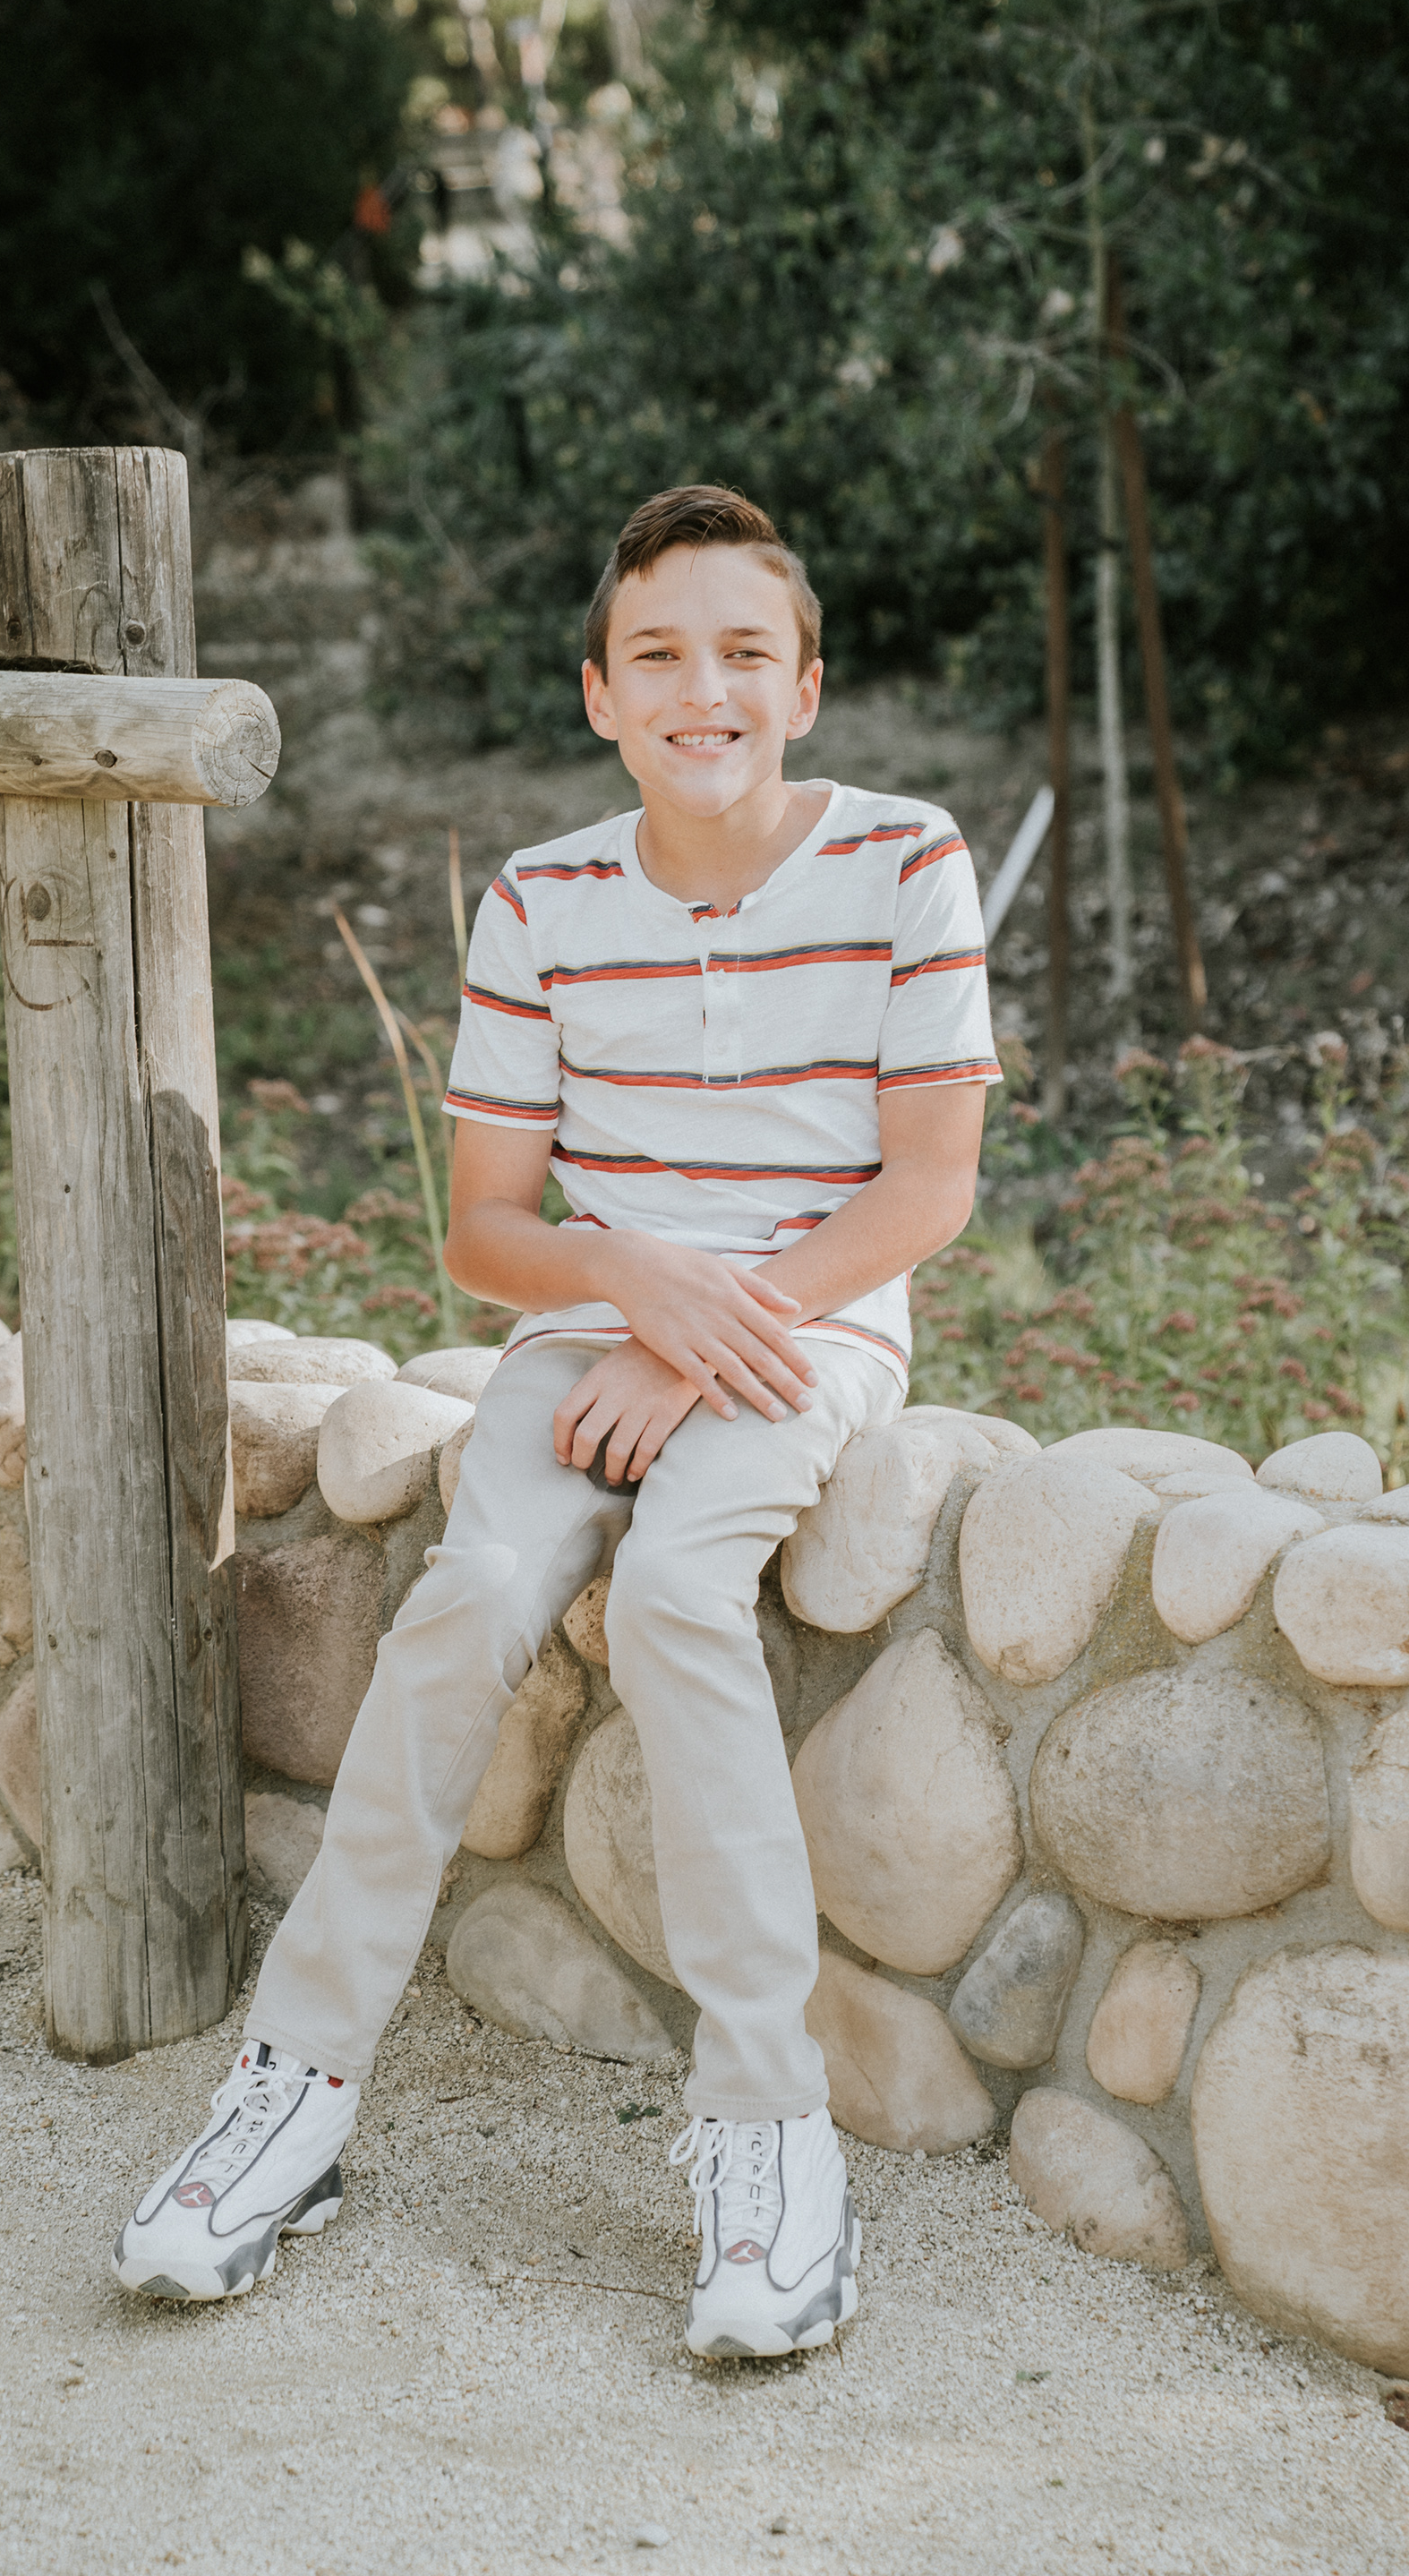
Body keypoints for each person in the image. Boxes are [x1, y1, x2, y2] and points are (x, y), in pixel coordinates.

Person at [112, 484, 999, 2357]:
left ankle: (770, 2134)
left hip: (810, 1333)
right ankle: (292, 2094)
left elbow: (927, 1188)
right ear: (602, 696)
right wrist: (632, 1283)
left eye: (744, 652)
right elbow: (484, 1234)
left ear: (806, 687)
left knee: (676, 1596)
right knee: (471, 1595)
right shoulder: (542, 899)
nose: (703, 689)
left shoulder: (904, 860)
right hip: (588, 1335)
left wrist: (699, 1333)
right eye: (657, 655)